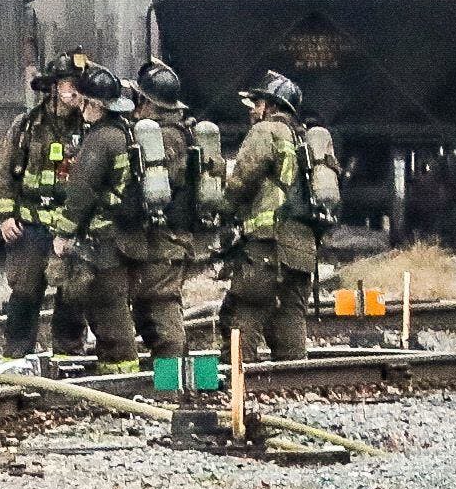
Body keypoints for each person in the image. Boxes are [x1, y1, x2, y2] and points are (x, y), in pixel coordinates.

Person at [0, 54, 88, 358]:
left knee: (73, 294)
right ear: (55, 87)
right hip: (29, 227)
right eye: (71, 85)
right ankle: (15, 357)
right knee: (25, 292)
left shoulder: (90, 128)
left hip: (71, 230)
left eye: (79, 87)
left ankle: (68, 356)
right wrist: (5, 216)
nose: (76, 93)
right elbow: (3, 174)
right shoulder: (27, 126)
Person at [50, 63, 144, 373]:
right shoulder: (124, 132)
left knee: (108, 307)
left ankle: (120, 373)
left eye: (85, 102)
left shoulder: (100, 138)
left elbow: (81, 190)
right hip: (125, 234)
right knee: (113, 304)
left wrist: (63, 234)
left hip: (106, 239)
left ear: (95, 104)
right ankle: (119, 369)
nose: (81, 108)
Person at [219, 71, 315, 363]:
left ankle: (241, 380)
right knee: (289, 316)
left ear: (272, 106)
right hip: (302, 247)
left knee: (243, 310)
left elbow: (242, 180)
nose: (253, 110)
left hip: (267, 243)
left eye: (257, 103)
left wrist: (220, 210)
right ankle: (292, 381)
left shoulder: (266, 131)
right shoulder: (304, 138)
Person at [119, 60, 204, 364]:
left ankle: (172, 388)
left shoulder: (164, 137)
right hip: (169, 236)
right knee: (151, 312)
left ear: (146, 100)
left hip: (165, 237)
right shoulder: (180, 131)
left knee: (162, 312)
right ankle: (175, 383)